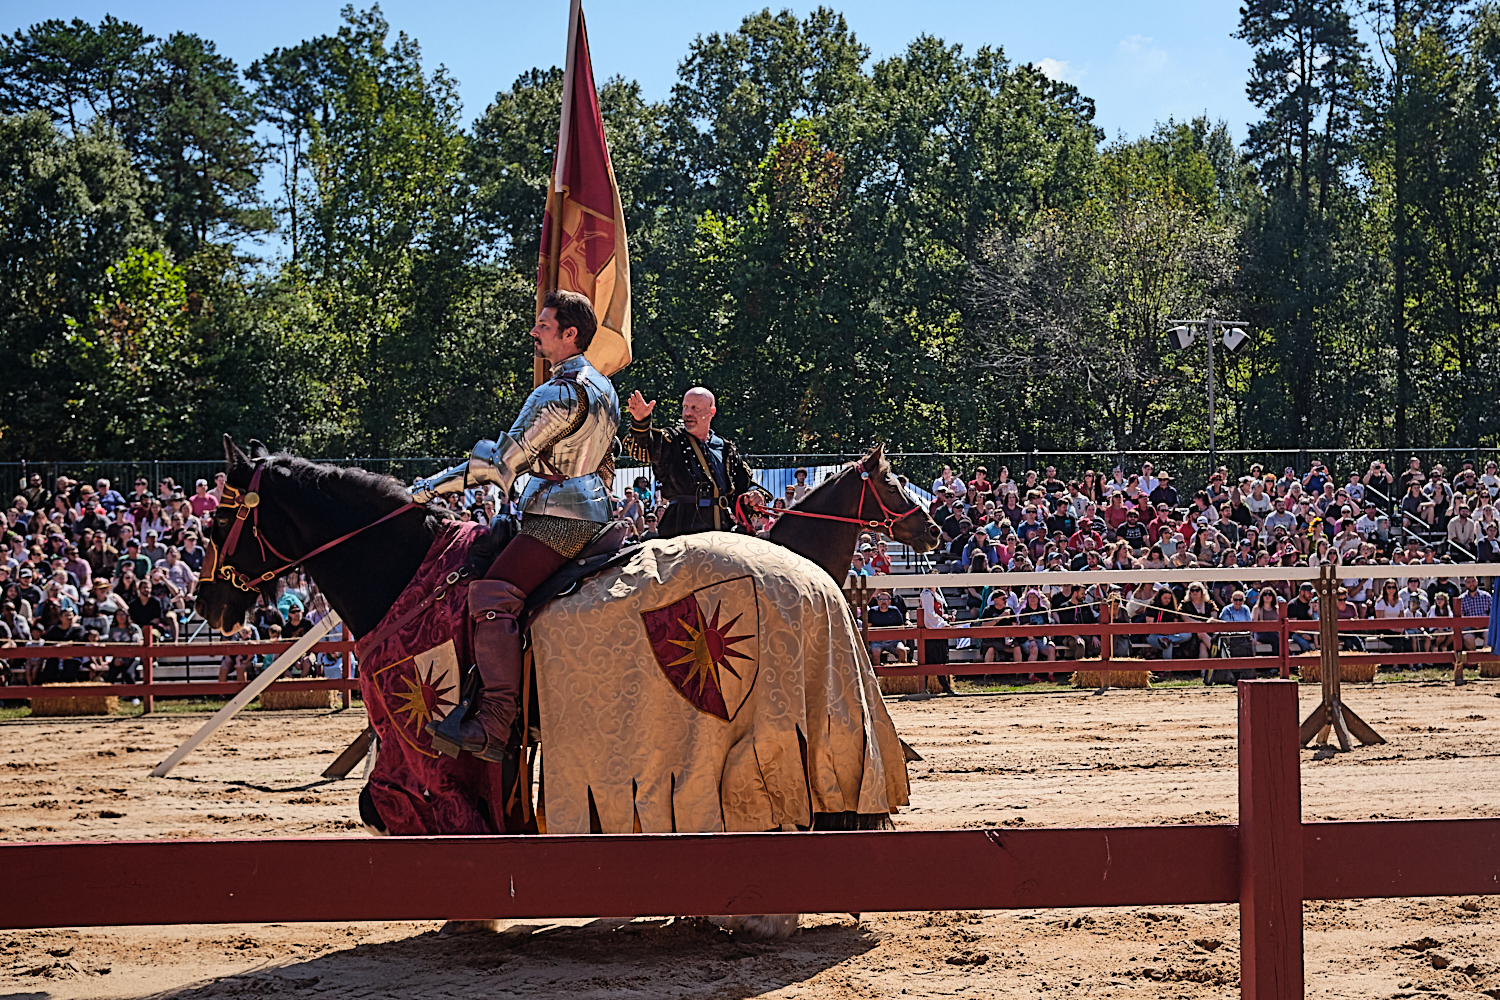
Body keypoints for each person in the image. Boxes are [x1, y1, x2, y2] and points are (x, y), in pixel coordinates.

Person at [410, 290, 620, 762]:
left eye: (544, 325)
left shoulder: (559, 393)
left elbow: (498, 467)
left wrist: (421, 492)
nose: (534, 332)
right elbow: (608, 461)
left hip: (558, 517)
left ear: (570, 334)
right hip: (592, 508)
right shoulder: (605, 388)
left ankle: (495, 721)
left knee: (489, 595)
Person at [624, 386, 758, 536]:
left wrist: (754, 496)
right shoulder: (672, 440)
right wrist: (641, 422)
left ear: (711, 412)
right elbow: (644, 448)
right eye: (685, 407)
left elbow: (746, 485)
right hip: (680, 529)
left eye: (695, 408)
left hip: (724, 530)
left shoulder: (725, 448)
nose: (688, 413)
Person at [866, 591, 908, 663]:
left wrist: (905, 644)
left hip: (893, 641)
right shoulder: (872, 611)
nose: (883, 602)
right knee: (875, 653)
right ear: (878, 601)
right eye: (881, 599)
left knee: (902, 651)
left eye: (886, 599)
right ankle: (877, 673)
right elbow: (868, 628)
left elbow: (901, 628)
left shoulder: (895, 610)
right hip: (877, 641)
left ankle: (901, 672)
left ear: (890, 601)